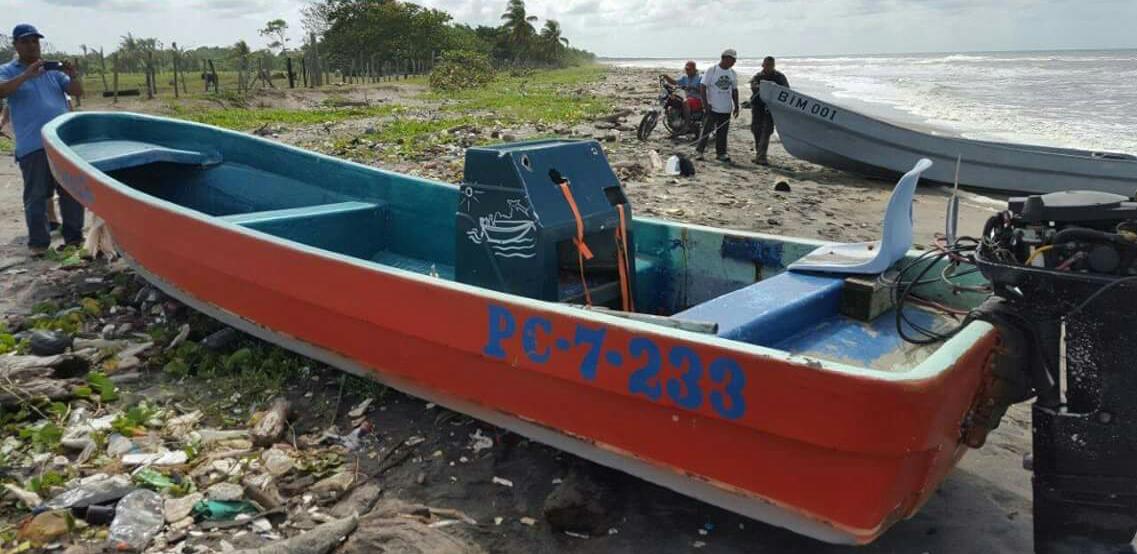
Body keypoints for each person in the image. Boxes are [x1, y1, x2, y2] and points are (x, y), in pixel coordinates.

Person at [0, 24, 84, 255]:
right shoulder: (8, 70)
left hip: (63, 144)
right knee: (36, 196)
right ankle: (38, 243)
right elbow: (2, 91)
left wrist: (72, 74)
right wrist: (27, 75)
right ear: (16, 45)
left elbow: (77, 91)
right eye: (25, 42)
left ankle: (74, 239)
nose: (31, 46)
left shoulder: (53, 72)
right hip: (33, 145)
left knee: (71, 193)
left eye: (35, 41)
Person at [696, 49, 740, 162]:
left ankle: (721, 153)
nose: (733, 62)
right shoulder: (713, 70)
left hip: (726, 108)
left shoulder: (732, 73)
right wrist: (705, 104)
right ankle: (699, 152)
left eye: (735, 60)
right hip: (713, 107)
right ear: (724, 58)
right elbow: (702, 87)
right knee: (707, 130)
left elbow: (735, 90)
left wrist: (736, 106)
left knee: (723, 132)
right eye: (732, 59)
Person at [748, 56, 789, 165]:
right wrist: (764, 87)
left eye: (771, 65)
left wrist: (774, 88)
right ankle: (759, 154)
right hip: (758, 107)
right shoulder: (758, 76)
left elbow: (786, 90)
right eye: (766, 65)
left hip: (771, 109)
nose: (768, 67)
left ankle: (762, 157)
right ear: (763, 65)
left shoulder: (779, 77)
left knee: (766, 131)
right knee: (756, 130)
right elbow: (753, 86)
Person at [661, 61, 703, 129]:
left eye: (689, 69)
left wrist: (693, 88)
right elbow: (675, 82)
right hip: (688, 98)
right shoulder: (685, 77)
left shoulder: (700, 77)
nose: (687, 71)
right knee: (673, 101)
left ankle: (687, 124)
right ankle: (675, 124)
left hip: (698, 99)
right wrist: (666, 77)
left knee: (685, 102)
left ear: (694, 69)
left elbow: (703, 90)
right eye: (686, 69)